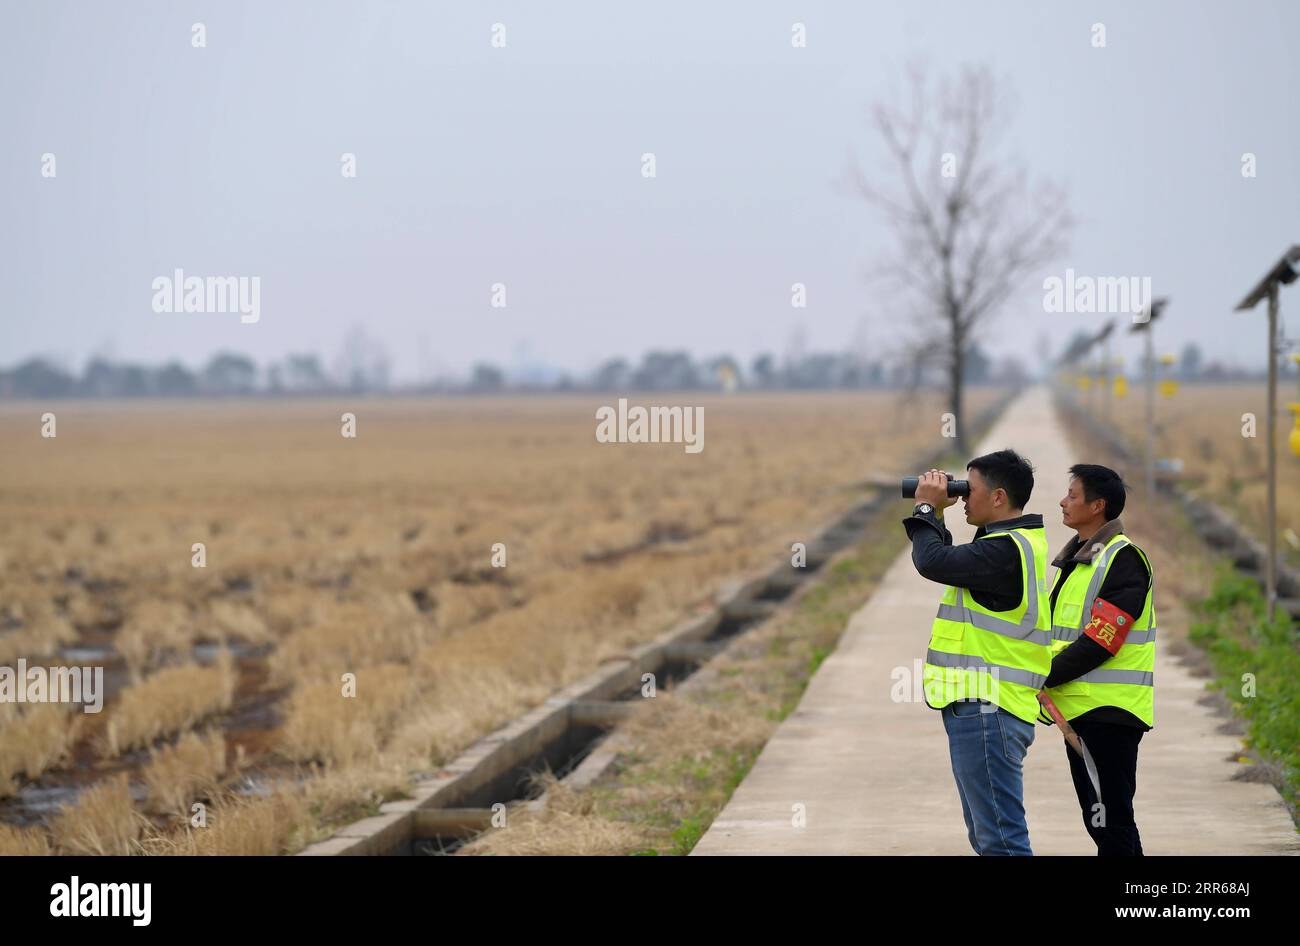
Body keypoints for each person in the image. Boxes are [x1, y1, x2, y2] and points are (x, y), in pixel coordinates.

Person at [903, 449, 1051, 856]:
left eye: (970, 489)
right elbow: (948, 562)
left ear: (999, 497)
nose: (964, 498)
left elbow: (931, 561)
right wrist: (936, 513)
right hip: (992, 709)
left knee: (1001, 841)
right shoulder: (1015, 544)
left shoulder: (1005, 550)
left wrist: (927, 506)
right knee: (991, 837)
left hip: (989, 710)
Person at [1041, 464, 1154, 856]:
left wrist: (1042, 674)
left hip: (1109, 714)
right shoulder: (1079, 561)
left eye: (1072, 495)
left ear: (1098, 506)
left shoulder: (1123, 560)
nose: (1062, 501)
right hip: (1083, 713)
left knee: (1113, 823)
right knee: (1101, 822)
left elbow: (1103, 640)